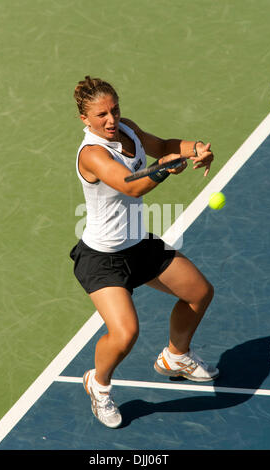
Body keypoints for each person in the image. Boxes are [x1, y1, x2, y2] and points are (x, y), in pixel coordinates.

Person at [70, 76, 218, 429]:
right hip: (103, 258)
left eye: (114, 109)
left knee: (199, 293)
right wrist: (167, 167)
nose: (110, 120)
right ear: (85, 120)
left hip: (139, 244)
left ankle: (176, 356)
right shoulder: (92, 154)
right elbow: (130, 186)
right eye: (101, 114)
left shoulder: (127, 129)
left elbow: (164, 143)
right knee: (125, 334)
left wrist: (193, 148)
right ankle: (99, 385)